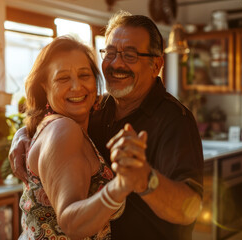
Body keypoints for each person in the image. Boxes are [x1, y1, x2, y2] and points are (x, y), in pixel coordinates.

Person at [10, 11, 204, 240]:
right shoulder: (95, 108)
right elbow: (56, 121)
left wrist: (145, 179)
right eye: (110, 53)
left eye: (130, 55)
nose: (116, 64)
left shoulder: (175, 120)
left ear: (156, 65)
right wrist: (24, 133)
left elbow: (189, 209)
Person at [18, 36, 144, 240]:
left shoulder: (63, 125)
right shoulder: (63, 129)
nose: (77, 87)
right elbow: (71, 224)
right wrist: (120, 186)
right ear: (44, 86)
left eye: (84, 75)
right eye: (63, 78)